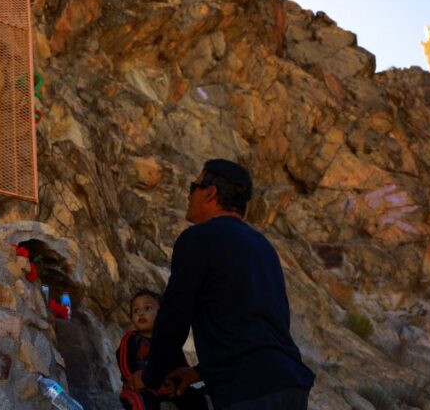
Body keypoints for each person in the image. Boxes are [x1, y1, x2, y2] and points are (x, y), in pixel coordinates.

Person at [127, 159, 315, 409]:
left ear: (210, 193)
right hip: (289, 384)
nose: (189, 193)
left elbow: (174, 317)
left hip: (246, 390)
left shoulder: (197, 239)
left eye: (194, 185)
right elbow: (261, 329)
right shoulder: (263, 247)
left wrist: (151, 376)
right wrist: (197, 373)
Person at [116, 289, 208, 410]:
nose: (141, 313)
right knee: (138, 401)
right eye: (136, 310)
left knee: (196, 398)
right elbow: (125, 364)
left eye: (147, 308)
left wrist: (174, 383)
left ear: (162, 313)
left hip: (165, 389)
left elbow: (180, 368)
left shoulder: (168, 341)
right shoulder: (131, 339)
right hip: (138, 388)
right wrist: (132, 379)